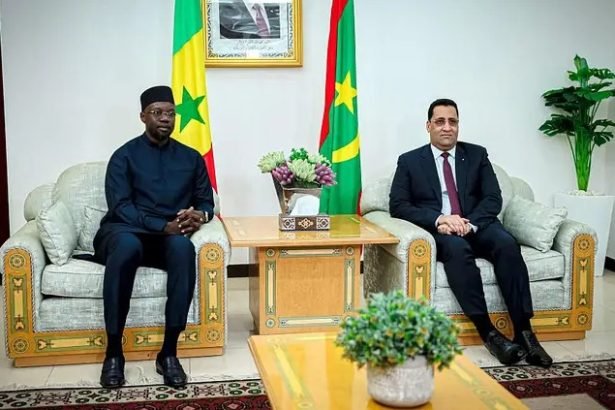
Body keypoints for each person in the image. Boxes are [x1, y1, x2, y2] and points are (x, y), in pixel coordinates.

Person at [389, 98, 553, 368]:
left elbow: (492, 198)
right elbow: (398, 205)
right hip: (442, 230)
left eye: (452, 121)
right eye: (440, 121)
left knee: (507, 244)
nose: (447, 127)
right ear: (428, 126)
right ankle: (489, 334)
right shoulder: (410, 161)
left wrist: (469, 223)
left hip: (477, 225)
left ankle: (525, 333)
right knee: (457, 249)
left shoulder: (477, 155)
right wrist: (440, 219)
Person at [94, 85, 214, 388]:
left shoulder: (191, 158)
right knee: (126, 246)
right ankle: (114, 353)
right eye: (157, 112)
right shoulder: (124, 156)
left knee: (183, 249)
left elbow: (205, 201)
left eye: (170, 113)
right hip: (124, 230)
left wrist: (200, 216)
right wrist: (162, 226)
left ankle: (169, 353)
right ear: (143, 116)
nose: (165, 118)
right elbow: (121, 207)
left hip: (166, 237)